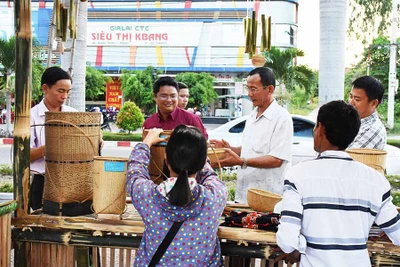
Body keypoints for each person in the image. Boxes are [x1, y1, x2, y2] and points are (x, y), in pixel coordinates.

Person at [275, 100, 400, 267]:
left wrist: (301, 247)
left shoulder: (298, 175)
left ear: (320, 129)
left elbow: (287, 240)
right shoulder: (375, 181)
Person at [127, 125, 227, 266]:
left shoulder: (147, 196)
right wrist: (195, 150)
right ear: (202, 161)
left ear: (166, 158)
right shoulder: (216, 196)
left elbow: (134, 172)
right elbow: (210, 175)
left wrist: (146, 143)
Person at [209, 67, 293, 203]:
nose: (249, 94)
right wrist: (230, 149)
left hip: (267, 197)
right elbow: (251, 150)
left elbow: (277, 159)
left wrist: (242, 161)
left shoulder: (282, 118)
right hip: (244, 194)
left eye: (254, 89)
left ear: (270, 89)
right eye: (247, 88)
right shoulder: (252, 116)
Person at [29, 66, 76, 211]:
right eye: (60, 91)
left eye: (68, 92)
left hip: (71, 181)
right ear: (45, 88)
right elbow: (24, 155)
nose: (64, 96)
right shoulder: (31, 116)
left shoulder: (73, 114)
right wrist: (51, 146)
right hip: (42, 182)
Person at [143, 76, 208, 139]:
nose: (169, 100)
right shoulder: (148, 123)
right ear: (154, 96)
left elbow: (203, 145)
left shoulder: (192, 119)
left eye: (173, 96)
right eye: (164, 96)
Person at [348, 75, 386, 150]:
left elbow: (344, 159)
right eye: (351, 97)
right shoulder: (352, 120)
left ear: (373, 103)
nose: (351, 102)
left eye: (357, 99)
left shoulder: (373, 130)